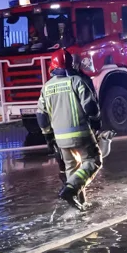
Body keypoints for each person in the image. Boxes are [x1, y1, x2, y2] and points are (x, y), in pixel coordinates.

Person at [37, 48, 103, 210]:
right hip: (81, 134)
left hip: (60, 139)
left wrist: (48, 138)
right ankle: (70, 190)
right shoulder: (76, 81)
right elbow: (91, 108)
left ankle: (80, 204)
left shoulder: (46, 88)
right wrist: (96, 124)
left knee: (72, 169)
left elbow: (41, 116)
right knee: (93, 161)